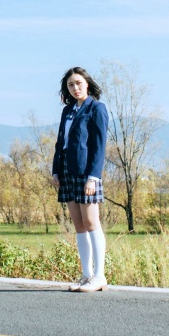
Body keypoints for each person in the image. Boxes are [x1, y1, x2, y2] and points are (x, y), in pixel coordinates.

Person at [52, 66, 109, 292]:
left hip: (87, 173)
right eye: (70, 85)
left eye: (78, 83)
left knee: (91, 222)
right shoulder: (68, 112)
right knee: (78, 225)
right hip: (67, 169)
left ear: (87, 83)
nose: (75, 88)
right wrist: (56, 170)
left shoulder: (97, 109)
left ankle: (99, 276)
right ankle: (86, 275)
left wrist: (93, 177)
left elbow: (99, 146)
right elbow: (60, 143)